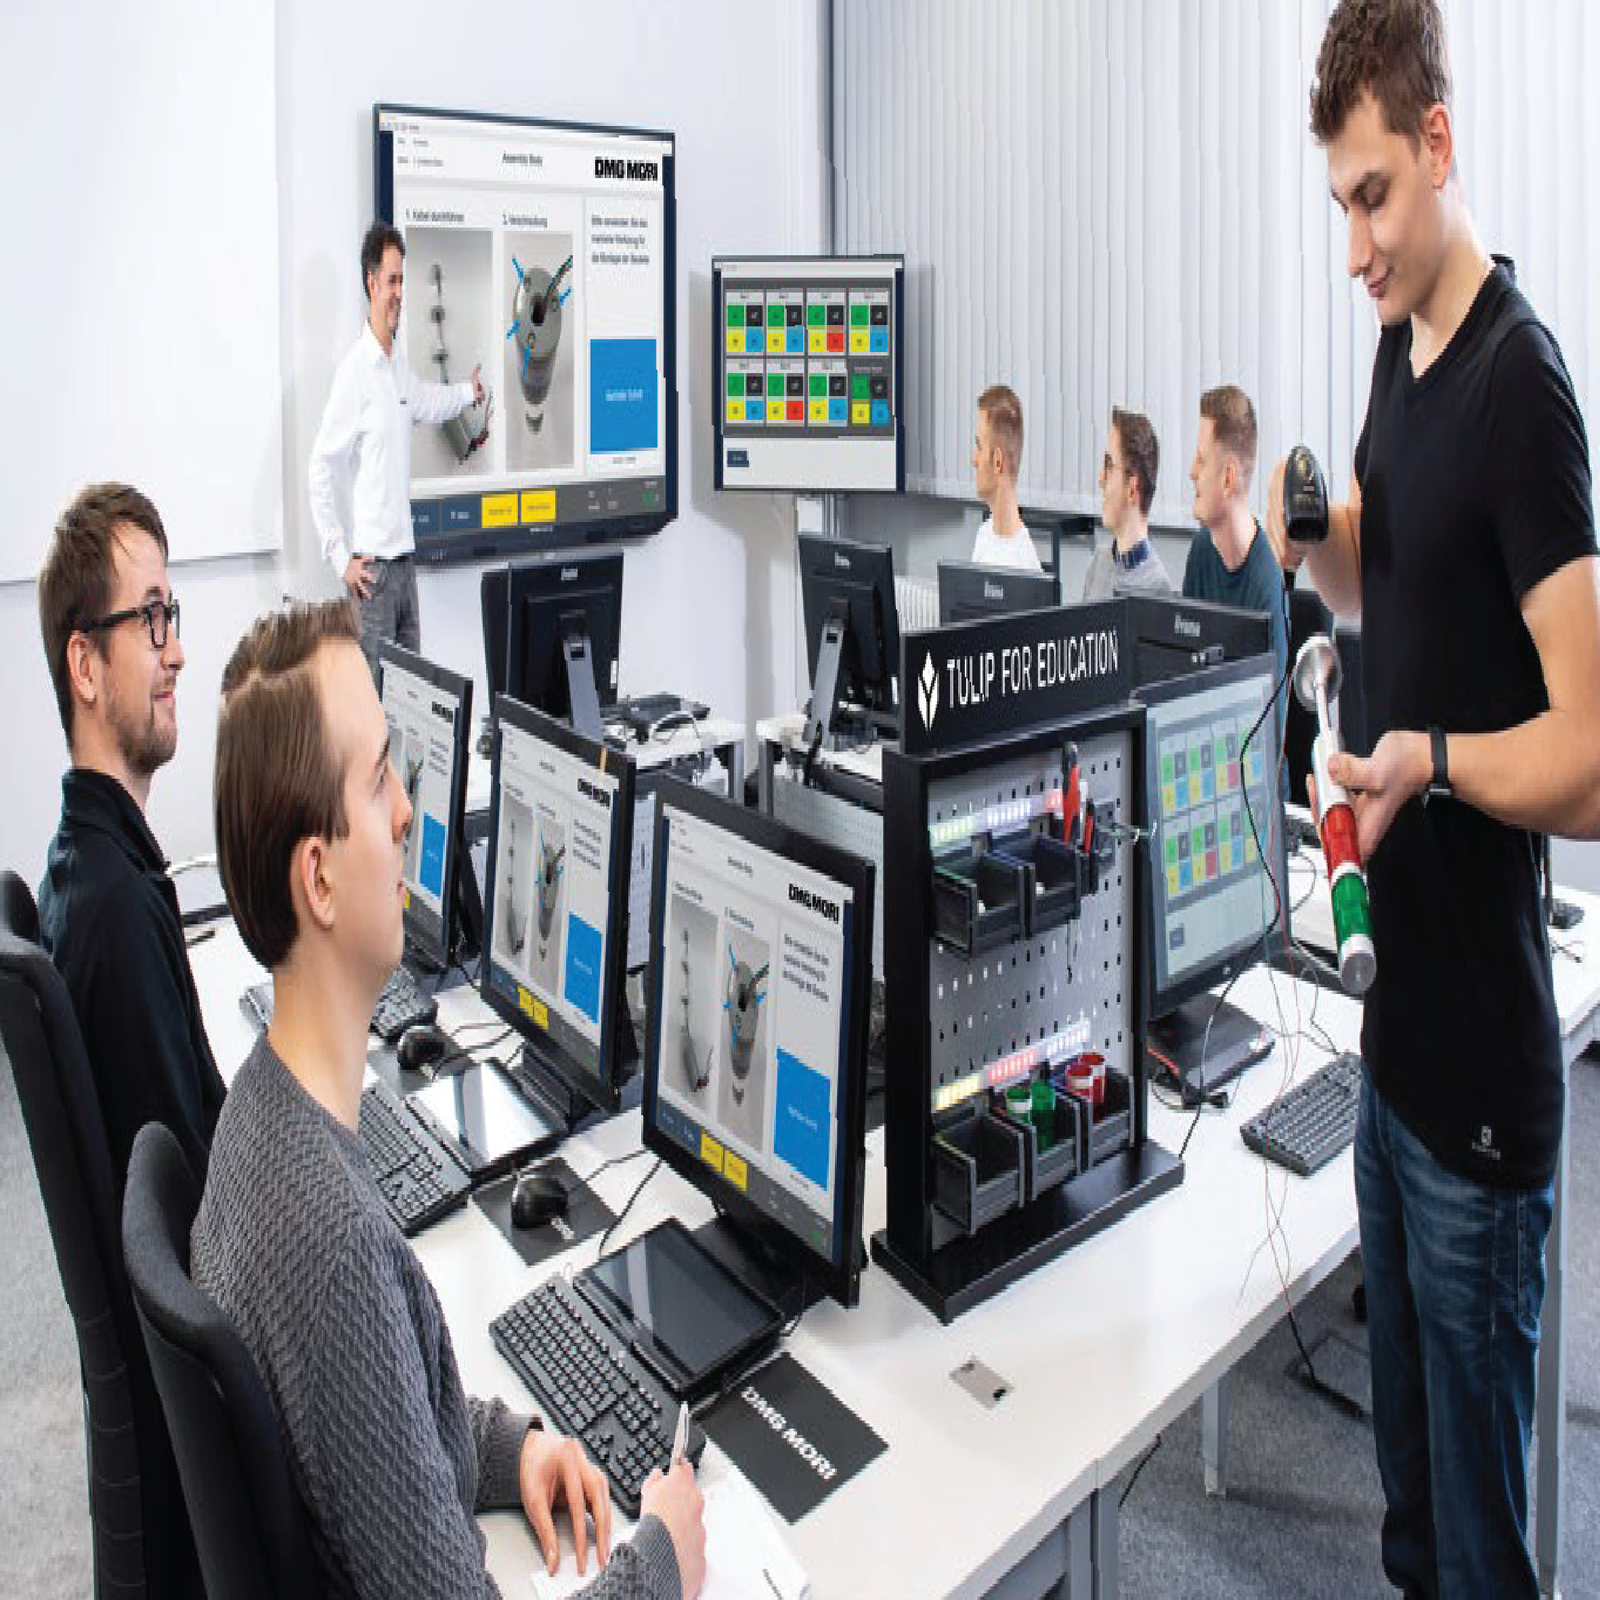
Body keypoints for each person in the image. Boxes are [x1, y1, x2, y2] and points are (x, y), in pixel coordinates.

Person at [1276, 3, 1600, 1594]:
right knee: (1410, 1535)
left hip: (1481, 1095)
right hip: (1393, 1054)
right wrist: (1311, 537)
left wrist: (1435, 762)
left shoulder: (1522, 391)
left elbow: (1594, 760)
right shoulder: (1399, 352)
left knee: (1480, 1559)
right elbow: (1375, 573)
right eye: (1340, 203)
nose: (1357, 241)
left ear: (1442, 146)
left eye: (1375, 194)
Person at [193, 600, 704, 1600]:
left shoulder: (259, 1117)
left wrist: (508, 1449)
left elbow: (373, 1425)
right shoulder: (331, 1248)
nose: (407, 812)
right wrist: (660, 1566)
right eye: (381, 774)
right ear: (321, 878)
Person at [36, 482, 226, 1190]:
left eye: (169, 615)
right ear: (85, 666)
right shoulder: (117, 915)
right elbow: (203, 1224)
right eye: (150, 618)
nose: (176, 652)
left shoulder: (85, 865)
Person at [308, 221, 487, 682]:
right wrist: (339, 558)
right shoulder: (355, 373)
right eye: (392, 281)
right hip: (374, 579)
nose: (400, 292)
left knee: (417, 706)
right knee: (376, 712)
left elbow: (426, 400)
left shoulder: (395, 365)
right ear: (371, 283)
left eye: (403, 280)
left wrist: (469, 392)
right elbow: (321, 467)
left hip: (405, 567)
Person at [1083, 407, 1173, 599]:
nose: (1100, 479)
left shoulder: (1158, 589)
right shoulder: (1097, 564)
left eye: (1109, 466)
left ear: (1132, 489)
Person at [969, 384, 1042, 571]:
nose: (973, 459)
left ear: (997, 462)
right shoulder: (984, 535)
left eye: (979, 446)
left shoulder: (1022, 565)